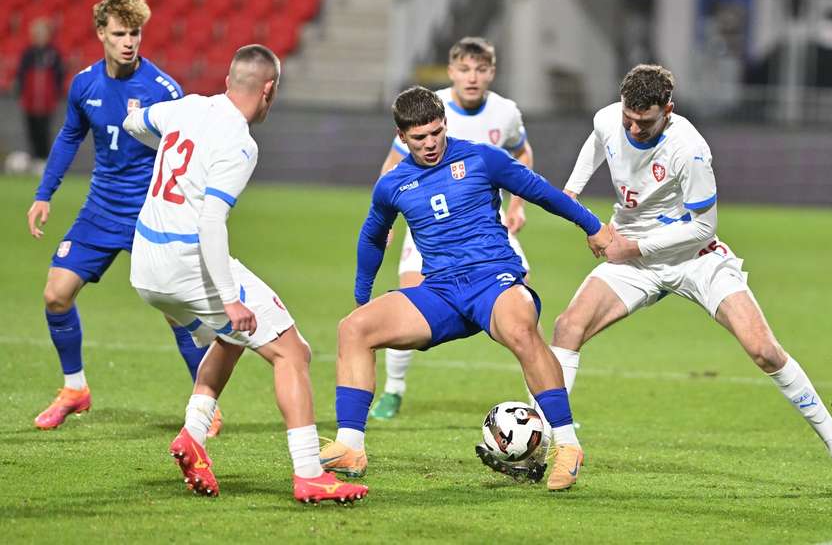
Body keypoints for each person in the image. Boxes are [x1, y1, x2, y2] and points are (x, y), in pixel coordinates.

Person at [551, 63, 832, 482]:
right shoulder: (608, 119)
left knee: (763, 349)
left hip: (694, 256)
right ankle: (550, 441)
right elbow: (599, 141)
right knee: (567, 328)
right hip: (633, 258)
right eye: (628, 119)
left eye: (645, 122)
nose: (634, 130)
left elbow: (702, 227)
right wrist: (573, 194)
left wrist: (633, 245)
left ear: (667, 109)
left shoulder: (689, 148)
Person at [319, 86, 611, 491]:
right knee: (353, 328)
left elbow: (541, 192)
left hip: (494, 280)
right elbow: (372, 237)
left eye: (436, 132)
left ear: (444, 125)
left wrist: (593, 226)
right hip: (439, 291)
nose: (430, 143)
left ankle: (567, 444)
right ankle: (351, 446)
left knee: (520, 328)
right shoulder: (392, 184)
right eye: (419, 138)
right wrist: (361, 295)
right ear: (401, 137)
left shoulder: (480, 158)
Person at [123, 44, 368, 504]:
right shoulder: (239, 143)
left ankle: (193, 435)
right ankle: (311, 474)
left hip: (145, 265)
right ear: (269, 89)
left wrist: (174, 152)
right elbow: (210, 222)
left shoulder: (189, 106)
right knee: (293, 352)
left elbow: (135, 123)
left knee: (236, 335)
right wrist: (229, 298)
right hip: (185, 262)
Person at [26, 0, 220, 435]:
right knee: (56, 294)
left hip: (149, 214)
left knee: (174, 309)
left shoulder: (162, 88)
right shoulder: (83, 84)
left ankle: (205, 403)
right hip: (99, 209)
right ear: (101, 34)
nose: (129, 42)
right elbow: (71, 136)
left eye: (135, 33)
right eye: (119, 34)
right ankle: (75, 388)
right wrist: (44, 193)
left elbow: (187, 149)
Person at [371, 37, 536, 421]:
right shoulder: (429, 109)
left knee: (522, 305)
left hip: (484, 225)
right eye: (464, 69)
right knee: (408, 300)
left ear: (492, 72)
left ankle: (540, 400)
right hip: (429, 225)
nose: (472, 77)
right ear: (451, 72)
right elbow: (391, 167)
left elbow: (522, 152)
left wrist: (517, 203)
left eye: (480, 69)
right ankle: (394, 391)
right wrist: (387, 220)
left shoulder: (505, 112)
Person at [12, 18, 65, 176]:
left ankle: (44, 160)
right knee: (31, 129)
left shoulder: (53, 53)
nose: (39, 36)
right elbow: (21, 75)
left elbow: (59, 75)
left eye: (42, 33)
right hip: (30, 100)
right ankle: (34, 159)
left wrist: (56, 92)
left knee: (45, 130)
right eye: (37, 33)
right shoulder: (28, 53)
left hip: (47, 101)